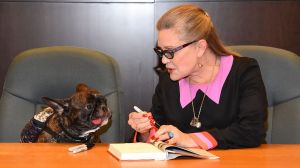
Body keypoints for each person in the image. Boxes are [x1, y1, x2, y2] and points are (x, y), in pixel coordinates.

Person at [128, 4, 267, 150]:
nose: (163, 60)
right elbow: (158, 132)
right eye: (161, 52)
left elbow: (252, 132)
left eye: (170, 51)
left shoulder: (243, 71)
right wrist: (145, 131)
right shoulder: (167, 80)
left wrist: (190, 139)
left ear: (200, 47)